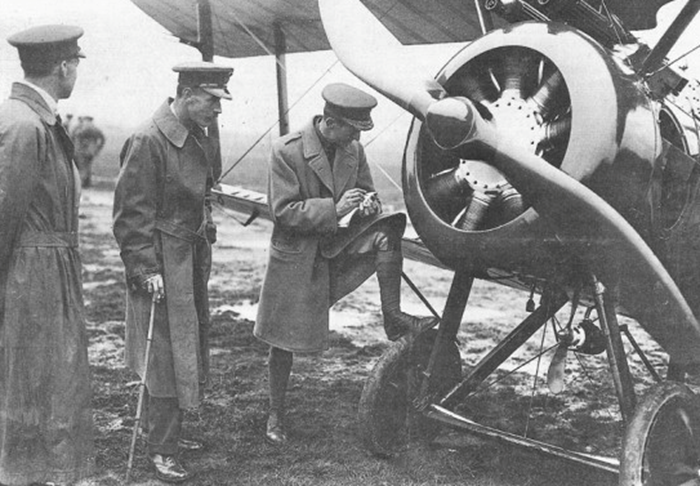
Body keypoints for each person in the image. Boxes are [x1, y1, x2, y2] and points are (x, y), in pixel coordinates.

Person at [254, 83, 439, 444]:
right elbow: (284, 213)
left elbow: (369, 195)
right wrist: (335, 209)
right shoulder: (285, 151)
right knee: (282, 342)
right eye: (353, 129)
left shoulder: (353, 149)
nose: (357, 137)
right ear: (329, 122)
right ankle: (275, 412)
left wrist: (368, 207)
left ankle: (392, 314)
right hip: (298, 257)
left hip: (337, 248)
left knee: (388, 232)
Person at [113, 61, 232, 483]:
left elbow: (199, 189)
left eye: (221, 103)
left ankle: (168, 432)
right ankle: (162, 448)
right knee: (163, 355)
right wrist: (145, 268)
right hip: (162, 262)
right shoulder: (148, 139)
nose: (218, 111)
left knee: (184, 347)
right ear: (186, 93)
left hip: (189, 255)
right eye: (212, 102)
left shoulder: (196, 135)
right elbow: (130, 215)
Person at [0, 25, 95, 485]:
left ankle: (54, 472)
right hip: (31, 273)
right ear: (63, 66)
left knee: (57, 376)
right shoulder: (24, 124)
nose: (76, 70)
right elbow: (3, 215)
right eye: (76, 62)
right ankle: (29, 475)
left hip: (47, 268)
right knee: (35, 379)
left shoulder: (39, 119)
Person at [71, 115, 105, 188]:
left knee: (81, 167)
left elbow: (72, 137)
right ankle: (86, 183)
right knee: (87, 167)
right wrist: (97, 148)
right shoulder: (95, 128)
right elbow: (102, 139)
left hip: (80, 151)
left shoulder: (79, 128)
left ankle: (80, 184)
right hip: (91, 151)